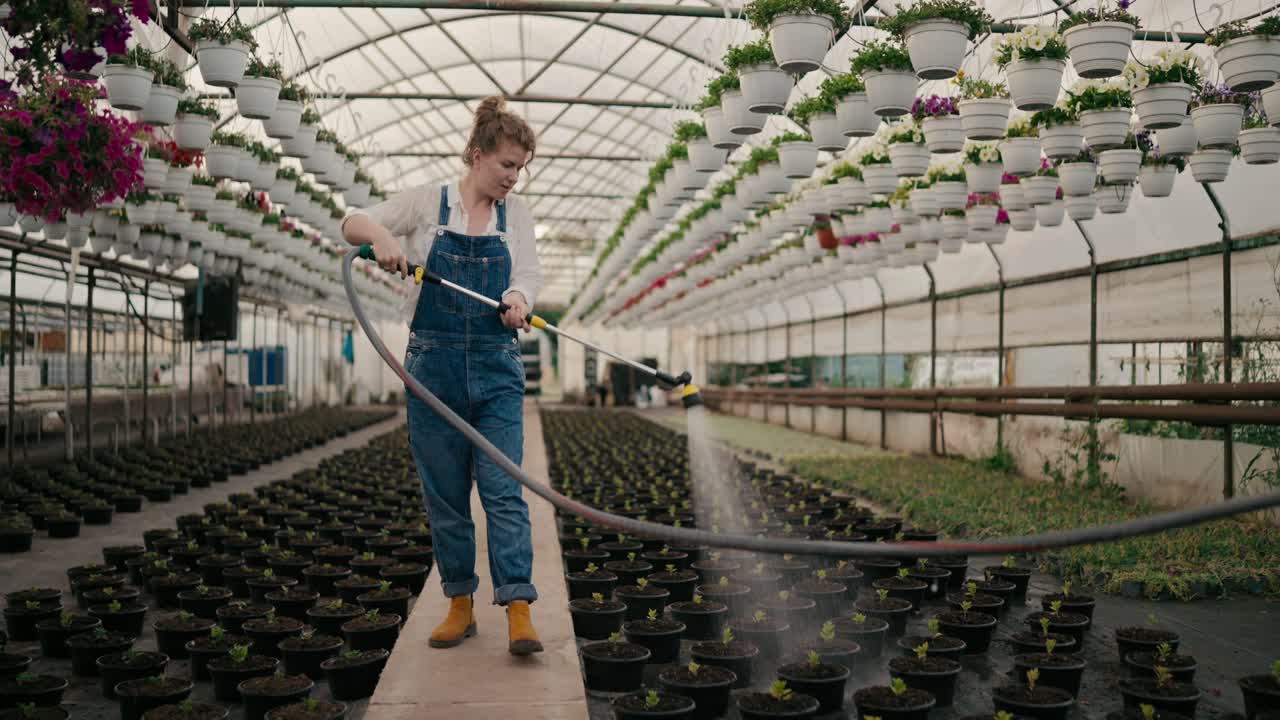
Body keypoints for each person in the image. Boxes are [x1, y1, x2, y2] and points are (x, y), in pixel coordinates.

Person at [341, 96, 544, 656]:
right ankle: (460, 604)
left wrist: (518, 299)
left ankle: (519, 606)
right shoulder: (428, 203)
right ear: (477, 156)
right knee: (446, 495)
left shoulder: (516, 215)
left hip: (497, 367)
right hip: (433, 366)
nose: (513, 177)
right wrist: (381, 238)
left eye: (520, 168)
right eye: (507, 164)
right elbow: (352, 221)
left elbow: (527, 272)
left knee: (504, 490)